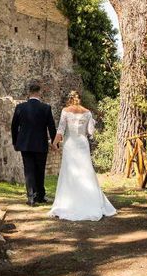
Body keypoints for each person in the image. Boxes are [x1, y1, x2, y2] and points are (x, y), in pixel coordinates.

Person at [49, 90, 117, 221]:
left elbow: (61, 130)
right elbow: (90, 132)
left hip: (70, 145)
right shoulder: (87, 113)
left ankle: (68, 203)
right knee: (86, 172)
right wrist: (93, 123)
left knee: (69, 173)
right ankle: (91, 202)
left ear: (70, 99)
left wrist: (54, 144)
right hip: (83, 144)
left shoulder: (66, 111)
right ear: (80, 99)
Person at [11, 81, 57, 206]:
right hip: (40, 144)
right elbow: (51, 127)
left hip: (25, 144)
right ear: (39, 93)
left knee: (29, 170)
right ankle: (40, 196)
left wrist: (15, 142)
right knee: (40, 170)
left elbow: (14, 127)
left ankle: (31, 197)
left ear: (29, 93)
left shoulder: (20, 107)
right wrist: (55, 143)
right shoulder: (46, 108)